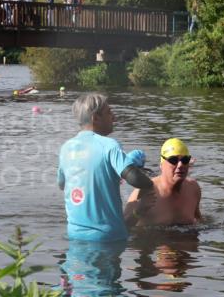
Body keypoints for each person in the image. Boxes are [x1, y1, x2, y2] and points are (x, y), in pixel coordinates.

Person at [57, 93, 154, 242]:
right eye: (109, 112)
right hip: (108, 237)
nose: (113, 117)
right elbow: (134, 178)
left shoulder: (66, 148)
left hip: (74, 235)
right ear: (95, 118)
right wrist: (151, 186)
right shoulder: (109, 145)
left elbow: (62, 184)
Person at [124, 138, 201, 227]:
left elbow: (200, 222)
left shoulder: (193, 189)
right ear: (161, 165)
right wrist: (138, 211)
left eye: (185, 160)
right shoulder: (144, 192)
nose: (180, 165)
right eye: (173, 160)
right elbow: (122, 227)